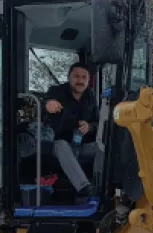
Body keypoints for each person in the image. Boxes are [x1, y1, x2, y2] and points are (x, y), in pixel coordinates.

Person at [18, 62, 99, 199]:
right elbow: (38, 106)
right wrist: (46, 105)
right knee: (61, 144)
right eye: (76, 76)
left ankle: (112, 188)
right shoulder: (57, 91)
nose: (80, 80)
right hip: (56, 146)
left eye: (84, 77)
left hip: (79, 146)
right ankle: (84, 187)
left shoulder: (90, 97)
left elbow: (97, 122)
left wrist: (89, 127)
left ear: (89, 80)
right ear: (69, 77)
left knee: (103, 148)